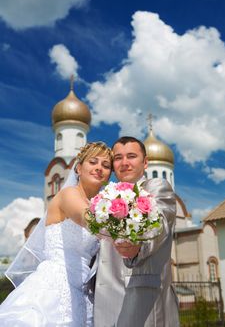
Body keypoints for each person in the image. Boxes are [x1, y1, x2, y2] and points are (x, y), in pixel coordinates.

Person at [0, 142, 112, 327]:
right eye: (93, 162)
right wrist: (128, 226)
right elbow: (88, 219)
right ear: (78, 168)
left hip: (82, 293)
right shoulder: (68, 194)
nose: (99, 168)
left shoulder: (101, 205)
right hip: (52, 286)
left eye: (106, 165)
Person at [94, 136, 180, 327]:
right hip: (103, 301)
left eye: (131, 156)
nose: (124, 163)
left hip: (141, 299)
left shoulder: (157, 187)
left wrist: (137, 247)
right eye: (118, 158)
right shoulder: (105, 196)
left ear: (145, 162)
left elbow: (160, 226)